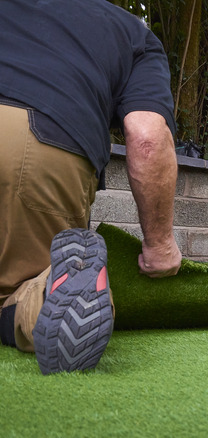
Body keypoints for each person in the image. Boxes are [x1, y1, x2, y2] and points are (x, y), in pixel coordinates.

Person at [0, 0, 182, 374]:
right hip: (38, 151)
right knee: (15, 291)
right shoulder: (132, 34)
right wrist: (160, 246)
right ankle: (47, 293)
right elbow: (147, 136)